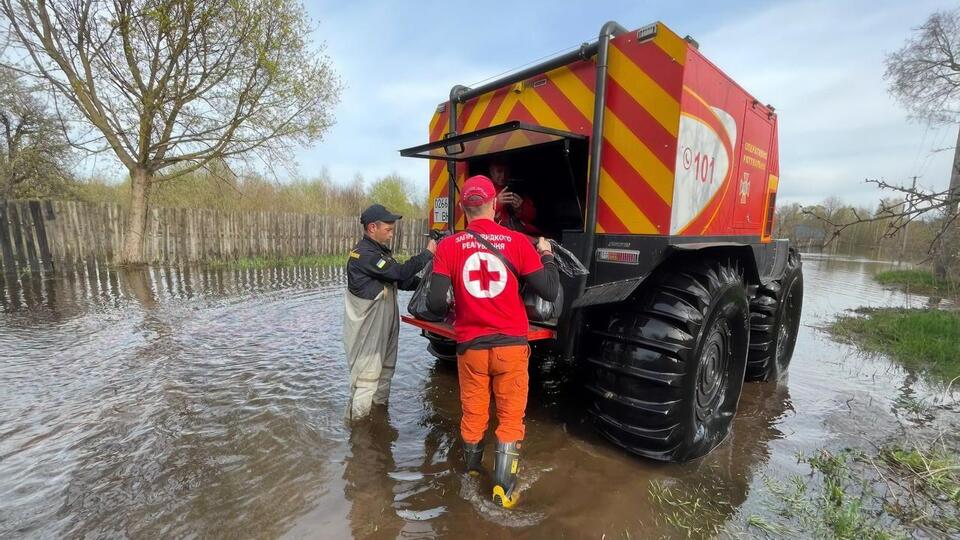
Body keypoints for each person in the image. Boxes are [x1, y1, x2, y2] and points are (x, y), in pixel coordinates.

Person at [426, 175, 559, 508]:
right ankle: (504, 489)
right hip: (511, 347)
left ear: (463, 208)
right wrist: (547, 255)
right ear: (494, 203)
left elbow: (435, 305)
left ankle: (471, 473)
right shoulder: (517, 242)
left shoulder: (448, 247)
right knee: (511, 417)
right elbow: (549, 291)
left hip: (471, 348)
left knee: (473, 413)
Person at [343, 203, 436, 421]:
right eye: (389, 228)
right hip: (368, 330)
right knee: (367, 379)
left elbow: (402, 280)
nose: (392, 233)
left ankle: (377, 421)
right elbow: (399, 271)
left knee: (385, 372)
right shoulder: (364, 255)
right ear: (372, 227)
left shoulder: (378, 252)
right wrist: (428, 253)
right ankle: (359, 432)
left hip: (384, 325)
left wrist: (427, 285)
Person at [489, 159, 540, 235]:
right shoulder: (486, 188)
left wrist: (520, 208)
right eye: (499, 171)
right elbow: (476, 213)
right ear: (491, 171)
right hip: (495, 235)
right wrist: (497, 203)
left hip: (518, 234)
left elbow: (532, 216)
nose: (503, 175)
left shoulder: (515, 188)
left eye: (506, 171)